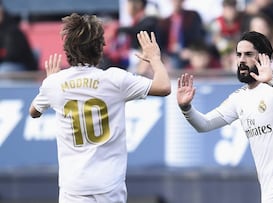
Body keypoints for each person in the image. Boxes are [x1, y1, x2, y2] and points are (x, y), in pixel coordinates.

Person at [29, 13, 171, 203]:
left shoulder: (54, 84)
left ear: (67, 48)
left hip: (74, 187)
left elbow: (34, 111)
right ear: (100, 47)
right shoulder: (115, 79)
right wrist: (154, 59)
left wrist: (50, 81)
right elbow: (164, 87)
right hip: (109, 185)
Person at [177, 31, 273, 203]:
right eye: (238, 54)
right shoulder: (239, 98)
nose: (241, 60)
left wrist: (272, 80)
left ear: (264, 58)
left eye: (248, 54)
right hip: (270, 190)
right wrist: (186, 108)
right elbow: (204, 124)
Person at [156, 0, 206, 69]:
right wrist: (164, 56)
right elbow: (160, 43)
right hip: (169, 55)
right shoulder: (165, 22)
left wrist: (190, 50)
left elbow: (198, 36)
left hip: (188, 53)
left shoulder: (192, 16)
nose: (177, 2)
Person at [0, 1, 38, 72]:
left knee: (4, 70)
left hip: (21, 65)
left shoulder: (12, 30)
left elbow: (10, 55)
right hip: (5, 63)